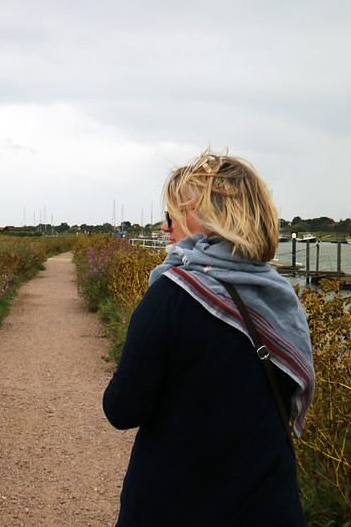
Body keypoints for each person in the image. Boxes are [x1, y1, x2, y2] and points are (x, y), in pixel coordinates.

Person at [103, 149, 315, 526]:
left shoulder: (170, 296)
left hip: (175, 505)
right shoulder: (282, 298)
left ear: (204, 218)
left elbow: (122, 409)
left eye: (171, 215)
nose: (165, 227)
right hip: (268, 506)